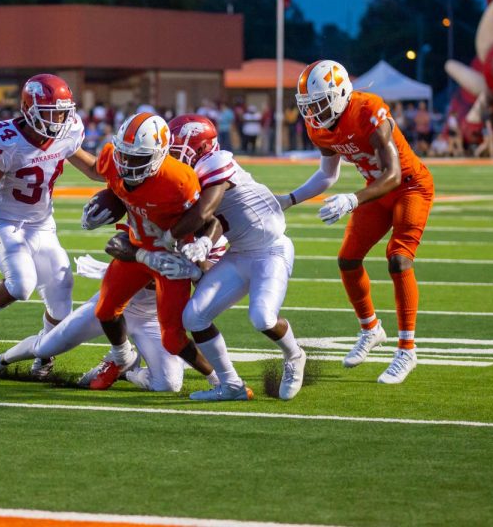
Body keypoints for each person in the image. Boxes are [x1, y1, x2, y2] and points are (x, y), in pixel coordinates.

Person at [280, 60, 435, 384]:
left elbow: (392, 173)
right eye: (309, 106)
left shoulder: (368, 109)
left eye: (319, 103)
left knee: (399, 259)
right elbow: (327, 175)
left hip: (409, 185)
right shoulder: (319, 127)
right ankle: (371, 329)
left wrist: (352, 199)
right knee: (348, 259)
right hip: (375, 190)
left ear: (339, 95)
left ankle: (407, 350)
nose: (314, 113)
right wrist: (289, 199)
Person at [0, 74, 105, 376]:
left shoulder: (66, 133)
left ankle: (44, 354)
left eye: (63, 111)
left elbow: (93, 169)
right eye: (52, 113)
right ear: (30, 110)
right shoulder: (6, 141)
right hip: (6, 221)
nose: (60, 119)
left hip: (42, 224)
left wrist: (126, 175)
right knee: (21, 285)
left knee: (62, 295)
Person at [159, 114, 306, 401]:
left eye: (177, 148)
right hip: (239, 254)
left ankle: (295, 355)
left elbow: (204, 212)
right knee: (194, 317)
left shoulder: (216, 161)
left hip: (270, 250)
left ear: (200, 148)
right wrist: (201, 244)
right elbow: (213, 220)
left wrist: (172, 237)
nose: (172, 155)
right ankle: (231, 385)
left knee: (263, 318)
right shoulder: (191, 174)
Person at [0, 232, 209, 392]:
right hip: (115, 303)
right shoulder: (150, 216)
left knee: (169, 385)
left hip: (153, 318)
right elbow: (116, 243)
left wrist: (197, 268)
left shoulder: (203, 239)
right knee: (45, 348)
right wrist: (143, 258)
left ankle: (125, 367)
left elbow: (211, 284)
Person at [86, 112, 220, 391]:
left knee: (172, 338)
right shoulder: (111, 157)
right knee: (104, 310)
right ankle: (122, 357)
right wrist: (101, 206)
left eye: (138, 158)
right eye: (124, 154)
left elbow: (208, 219)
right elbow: (117, 190)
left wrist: (201, 248)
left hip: (170, 260)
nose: (127, 163)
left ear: (160, 155)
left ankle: (218, 378)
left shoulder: (179, 180)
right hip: (135, 251)